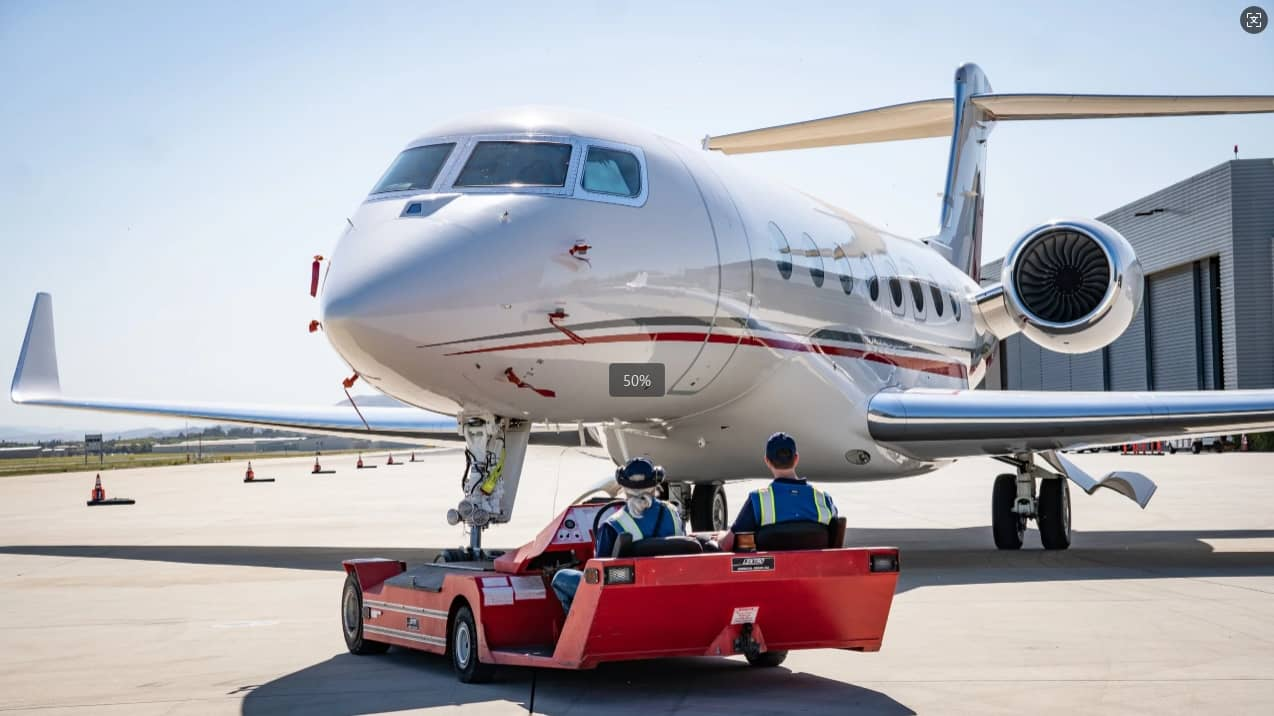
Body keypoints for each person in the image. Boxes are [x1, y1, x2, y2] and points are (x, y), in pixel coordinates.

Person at [550, 457, 683, 614]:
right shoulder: (674, 514)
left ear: (623, 487)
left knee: (560, 578)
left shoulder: (613, 525)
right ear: (655, 485)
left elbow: (597, 576)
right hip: (671, 590)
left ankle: (575, 631)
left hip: (628, 600)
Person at [720, 432, 838, 551]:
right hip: (816, 568)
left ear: (767, 461)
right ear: (796, 458)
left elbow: (726, 545)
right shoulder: (823, 498)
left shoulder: (758, 500)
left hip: (771, 569)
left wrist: (720, 537)